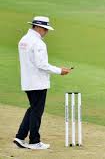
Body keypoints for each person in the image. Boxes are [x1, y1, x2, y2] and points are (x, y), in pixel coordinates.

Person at [13, 16, 72, 149]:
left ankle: (20, 137)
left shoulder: (24, 40)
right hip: (37, 82)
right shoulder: (38, 43)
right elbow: (41, 64)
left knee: (33, 108)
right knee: (37, 111)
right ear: (39, 27)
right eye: (46, 29)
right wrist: (59, 70)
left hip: (28, 81)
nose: (47, 32)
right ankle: (34, 141)